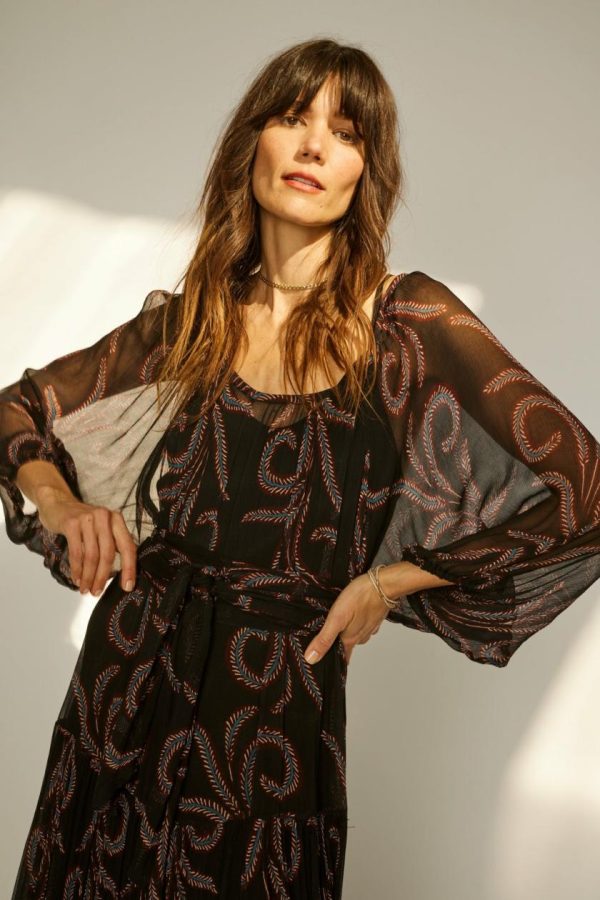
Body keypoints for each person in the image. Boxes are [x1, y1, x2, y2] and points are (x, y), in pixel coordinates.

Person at [1, 37, 599, 899]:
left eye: (345, 133)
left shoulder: (405, 323)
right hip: (125, 685)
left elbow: (584, 491)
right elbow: (15, 411)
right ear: (254, 144)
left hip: (274, 714)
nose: (315, 145)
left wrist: (390, 581)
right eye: (292, 118)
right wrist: (62, 506)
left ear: (366, 171)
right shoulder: (196, 322)